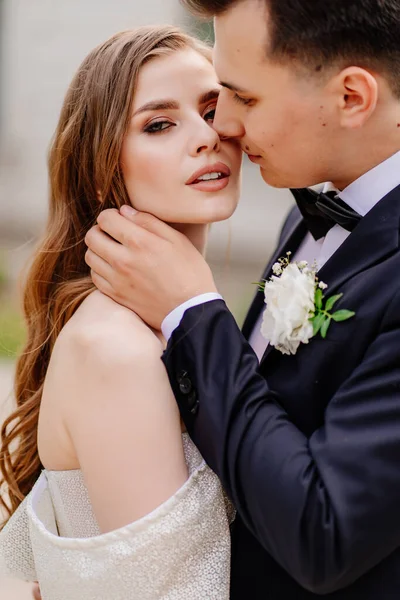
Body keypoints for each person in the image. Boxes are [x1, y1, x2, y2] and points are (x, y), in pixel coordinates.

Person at [84, 0, 400, 598]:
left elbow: (324, 533)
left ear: (352, 97)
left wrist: (194, 316)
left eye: (242, 98)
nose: (222, 126)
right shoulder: (307, 218)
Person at [0, 25, 242, 600]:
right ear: (104, 160)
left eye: (214, 108)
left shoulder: (167, 321)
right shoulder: (117, 349)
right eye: (160, 124)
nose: (206, 136)